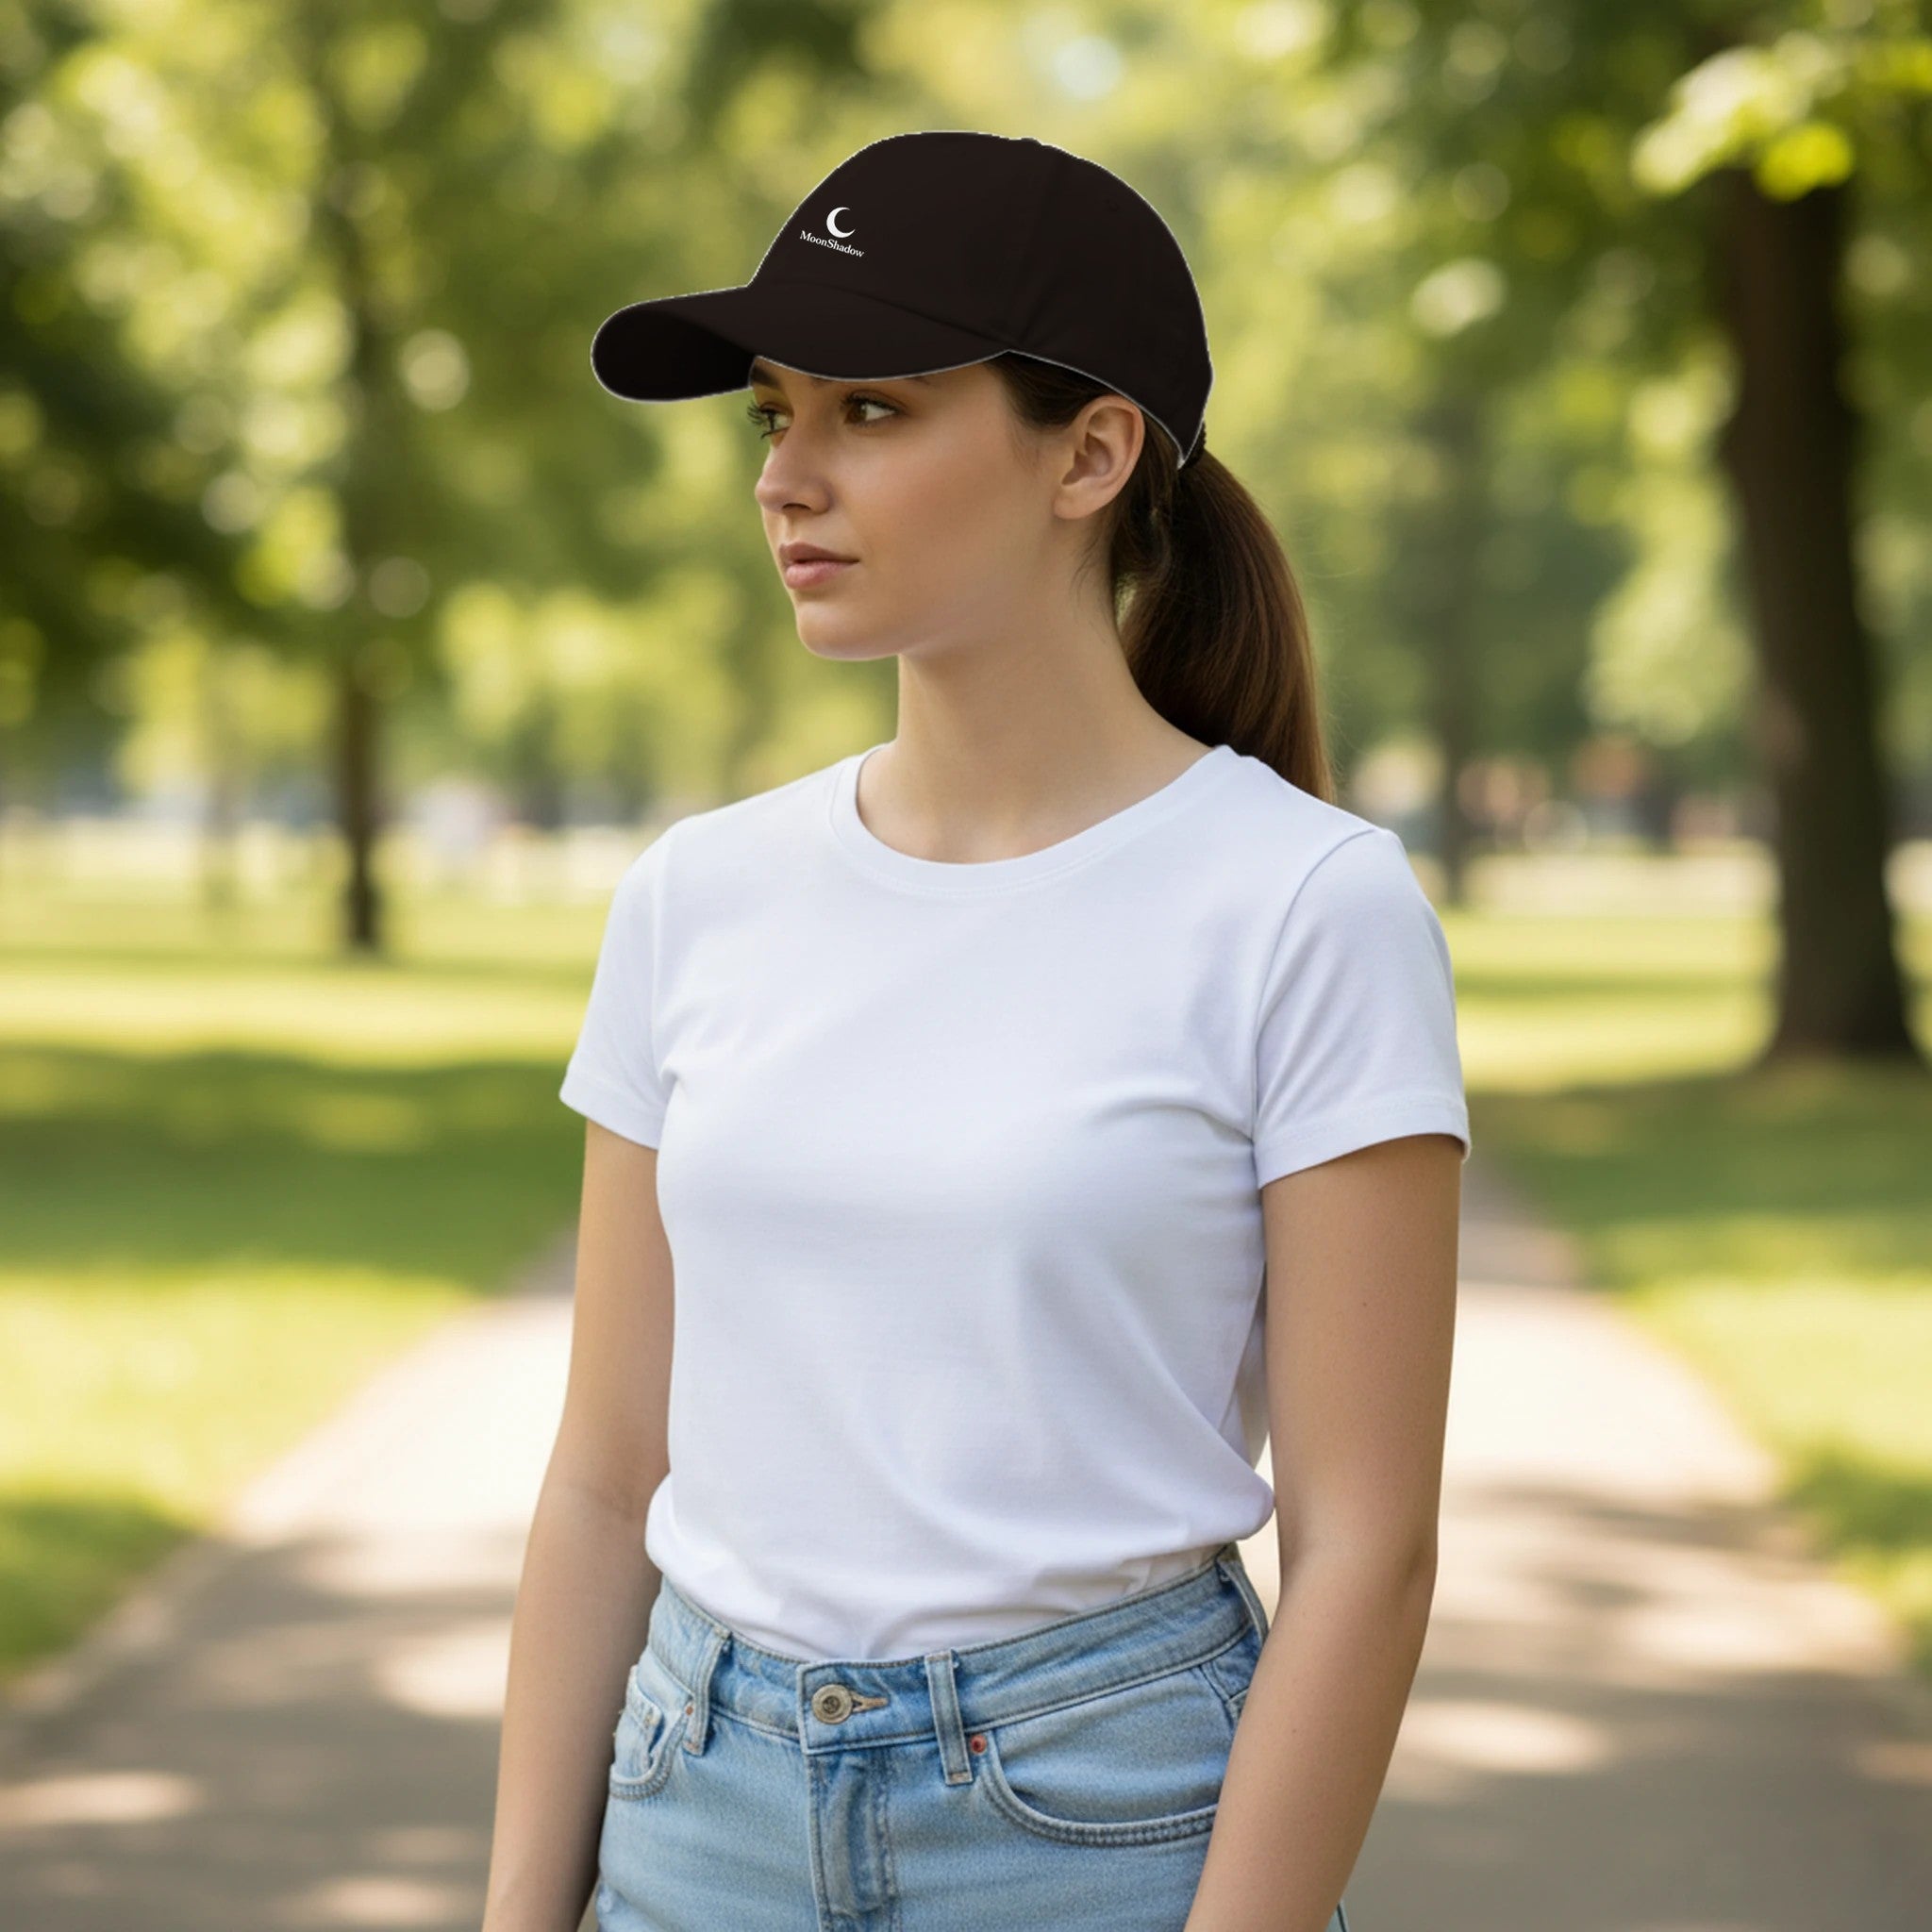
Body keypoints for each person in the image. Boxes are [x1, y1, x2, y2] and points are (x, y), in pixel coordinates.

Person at [482, 132, 1470, 1932]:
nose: (786, 477)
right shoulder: (695, 896)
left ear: (1090, 453)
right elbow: (604, 1479)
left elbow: (1367, 1551)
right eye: (771, 416)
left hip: (1104, 1822)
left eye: (868, 410)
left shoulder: (1306, 906)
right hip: (690, 1802)